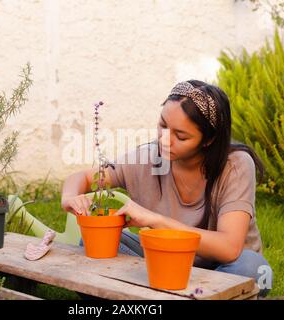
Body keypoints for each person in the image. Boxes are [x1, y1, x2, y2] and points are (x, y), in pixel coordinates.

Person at [61, 80, 272, 297]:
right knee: (93, 243)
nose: (165, 140)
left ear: (208, 140)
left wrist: (154, 220)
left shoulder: (235, 165)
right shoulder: (148, 158)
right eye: (163, 125)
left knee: (252, 268)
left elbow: (229, 248)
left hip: (222, 268)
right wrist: (69, 197)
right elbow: (85, 178)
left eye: (180, 136)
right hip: (167, 261)